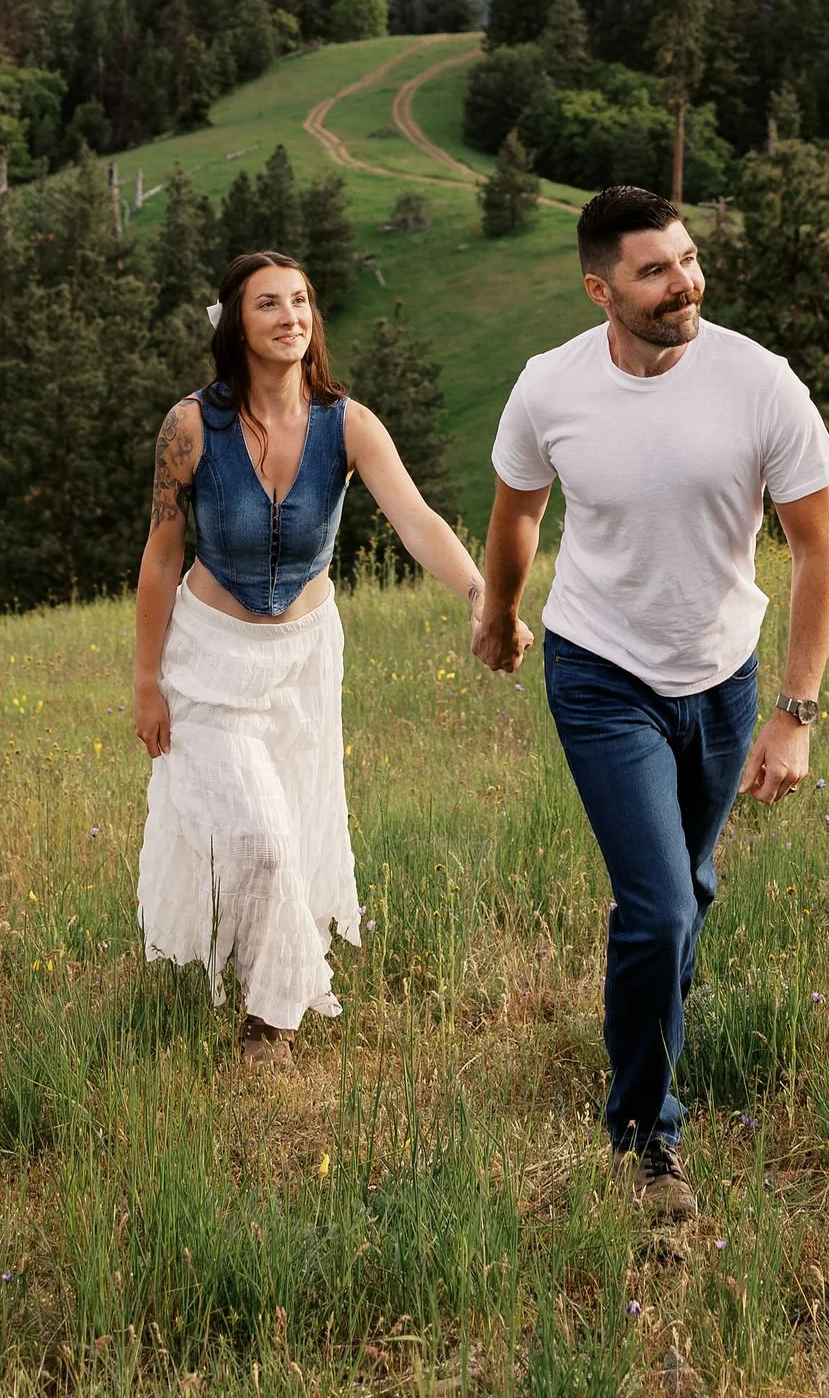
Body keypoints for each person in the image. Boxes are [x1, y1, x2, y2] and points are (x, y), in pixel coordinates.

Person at [472, 185, 829, 1222]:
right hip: (598, 669)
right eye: (652, 270)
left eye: (684, 260)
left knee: (688, 891)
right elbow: (517, 513)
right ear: (600, 289)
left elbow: (817, 547)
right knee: (660, 905)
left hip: (720, 674)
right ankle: (645, 1138)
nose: (682, 282)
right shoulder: (548, 388)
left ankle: (643, 1027)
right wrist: (500, 614)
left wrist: (793, 712)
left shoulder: (758, 384)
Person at [135, 246, 484, 1061]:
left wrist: (478, 593)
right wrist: (147, 682)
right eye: (268, 304)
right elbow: (160, 555)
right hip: (210, 661)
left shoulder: (348, 424)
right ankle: (275, 1021)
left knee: (292, 828)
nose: (290, 317)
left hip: (303, 660)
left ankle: (268, 1014)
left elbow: (417, 519)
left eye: (300, 302)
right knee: (261, 840)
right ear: (237, 325)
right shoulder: (192, 425)